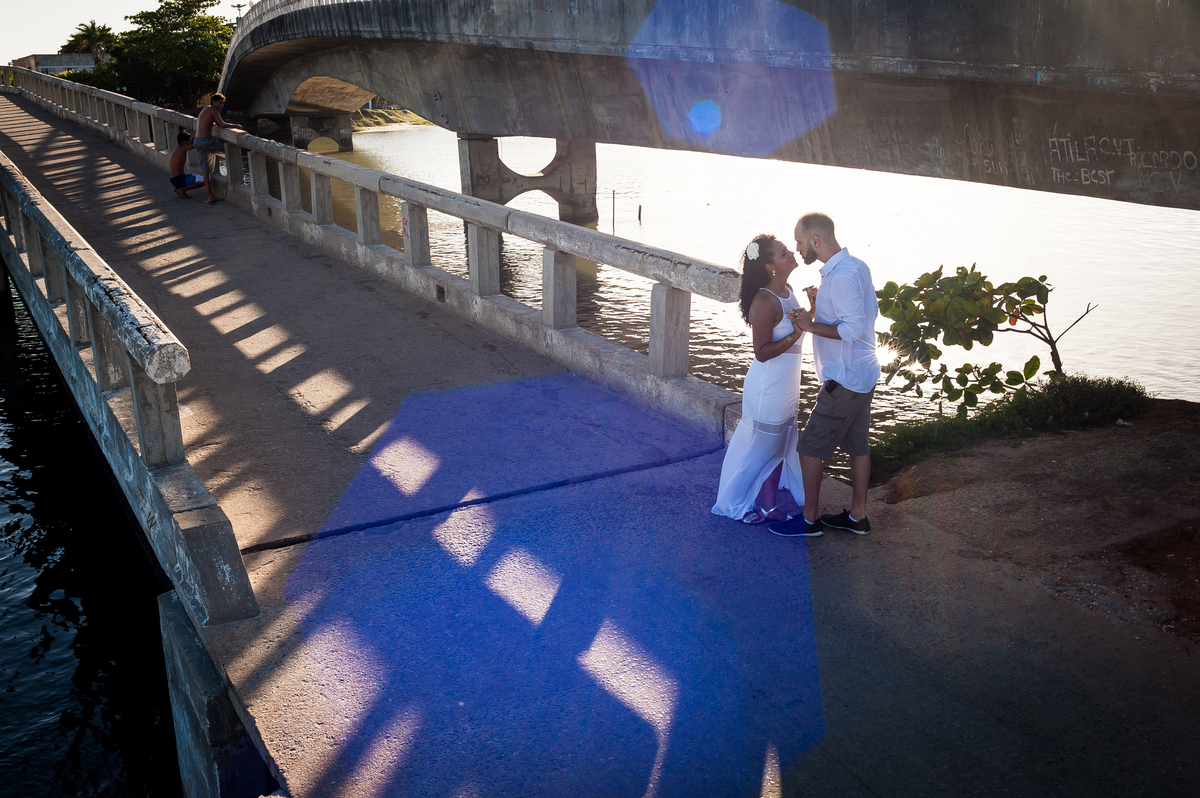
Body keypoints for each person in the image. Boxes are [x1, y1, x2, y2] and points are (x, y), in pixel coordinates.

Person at [768, 212, 880, 538]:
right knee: (858, 446)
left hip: (844, 380)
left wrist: (810, 324)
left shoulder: (841, 277)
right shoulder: (855, 266)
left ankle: (809, 521)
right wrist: (819, 307)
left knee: (808, 448)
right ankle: (858, 516)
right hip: (862, 374)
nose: (798, 248)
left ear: (815, 241)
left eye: (800, 242)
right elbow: (861, 314)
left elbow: (854, 328)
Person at [712, 234, 812, 526]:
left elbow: (798, 332)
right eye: (783, 254)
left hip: (787, 384)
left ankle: (769, 506)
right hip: (767, 386)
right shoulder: (764, 302)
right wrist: (795, 334)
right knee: (762, 449)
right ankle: (734, 503)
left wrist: (813, 309)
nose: (791, 254)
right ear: (771, 266)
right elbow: (762, 353)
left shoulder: (789, 290)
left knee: (779, 447)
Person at [192, 92, 243, 205]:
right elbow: (222, 124)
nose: (222, 106)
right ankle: (228, 176)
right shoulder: (212, 110)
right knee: (230, 151)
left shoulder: (205, 109)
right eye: (220, 103)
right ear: (214, 102)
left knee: (205, 170)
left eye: (223, 104)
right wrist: (236, 126)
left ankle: (210, 196)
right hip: (205, 141)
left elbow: (212, 122)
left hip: (197, 141)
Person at [168, 132, 204, 198]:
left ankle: (177, 188)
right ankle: (182, 189)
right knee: (205, 180)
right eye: (189, 140)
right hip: (179, 180)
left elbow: (192, 142)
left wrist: (198, 132)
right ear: (184, 142)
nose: (190, 141)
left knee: (198, 176)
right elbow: (194, 145)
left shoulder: (176, 148)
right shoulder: (182, 149)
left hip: (174, 179)